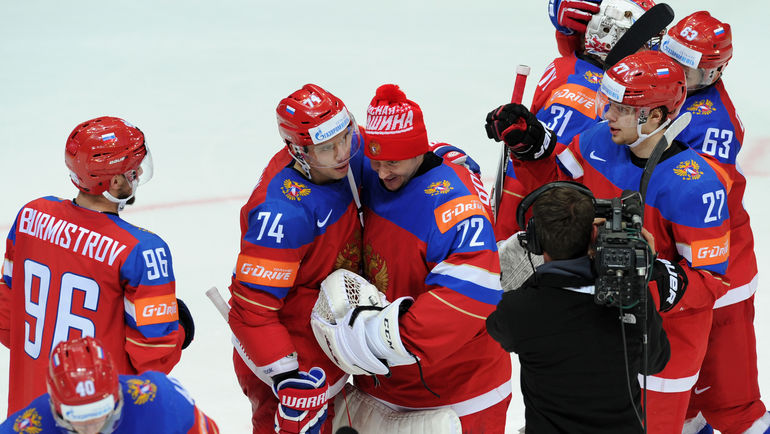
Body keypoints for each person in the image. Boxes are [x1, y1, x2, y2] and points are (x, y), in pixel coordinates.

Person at [485, 51, 732, 432]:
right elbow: (558, 194)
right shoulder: (599, 139)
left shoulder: (695, 186)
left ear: (656, 116)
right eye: (609, 104)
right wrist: (532, 148)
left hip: (661, 346)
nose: (608, 116)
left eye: (621, 108)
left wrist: (651, 271)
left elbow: (710, 281)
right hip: (592, 327)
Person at [0, 116, 191, 416]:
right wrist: (179, 329)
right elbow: (153, 362)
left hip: (28, 417)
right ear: (114, 181)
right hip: (97, 417)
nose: (139, 172)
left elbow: (8, 324)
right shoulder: (142, 250)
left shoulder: (30, 217)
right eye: (133, 169)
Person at [351, 84, 511, 432]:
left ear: (417, 150)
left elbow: (472, 292)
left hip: (459, 395)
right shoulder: (393, 165)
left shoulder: (455, 209)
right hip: (385, 385)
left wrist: (381, 341)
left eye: (391, 162)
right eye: (375, 161)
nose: (381, 173)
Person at [226, 84, 364, 434]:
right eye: (326, 148)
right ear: (298, 150)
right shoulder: (281, 214)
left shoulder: (345, 150)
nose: (342, 153)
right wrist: (287, 376)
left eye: (345, 137)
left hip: (326, 344)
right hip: (293, 368)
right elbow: (252, 310)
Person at [659, 12, 770, 433]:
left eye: (687, 64)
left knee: (733, 404)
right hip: (676, 267)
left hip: (720, 273)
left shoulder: (712, 122)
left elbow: (700, 201)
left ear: (715, 69)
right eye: (671, 55)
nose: (675, 68)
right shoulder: (670, 73)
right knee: (679, 397)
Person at [486, 182, 670, 433]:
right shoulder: (629, 300)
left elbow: (497, 325)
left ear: (536, 242)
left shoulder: (518, 311)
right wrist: (638, 277)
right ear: (594, 234)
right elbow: (656, 362)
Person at [495, 0, 654, 241]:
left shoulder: (566, 67)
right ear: (615, 41)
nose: (652, 51)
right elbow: (554, 175)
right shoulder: (588, 96)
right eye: (644, 43)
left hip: (527, 211)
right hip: (537, 225)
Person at [0, 336, 218, 434]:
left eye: (98, 410)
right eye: (77, 415)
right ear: (55, 406)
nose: (91, 426)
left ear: (116, 394)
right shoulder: (27, 428)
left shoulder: (161, 400)